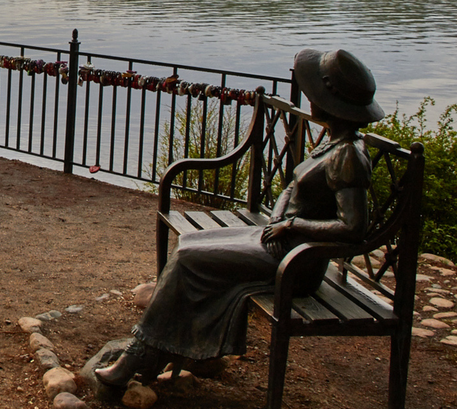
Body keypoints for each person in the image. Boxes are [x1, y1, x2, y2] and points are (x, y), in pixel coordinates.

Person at [94, 48, 385, 387]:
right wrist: (278, 217)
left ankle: (139, 357)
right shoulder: (334, 144)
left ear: (333, 103)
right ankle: (167, 348)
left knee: (190, 258)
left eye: (314, 93)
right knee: (188, 241)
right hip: (280, 242)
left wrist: (291, 225)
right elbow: (292, 189)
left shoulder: (347, 154)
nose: (308, 99)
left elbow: (353, 228)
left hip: (298, 262)